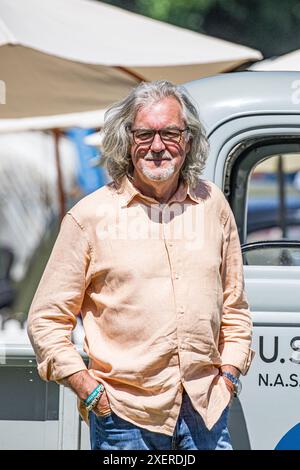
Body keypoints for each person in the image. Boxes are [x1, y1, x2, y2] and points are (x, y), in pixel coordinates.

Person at [27, 80, 254, 450]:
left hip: (207, 409)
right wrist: (89, 391)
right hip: (125, 417)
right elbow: (46, 320)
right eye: (144, 133)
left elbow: (235, 306)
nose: (158, 146)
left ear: (189, 141)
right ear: (126, 140)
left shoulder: (213, 205)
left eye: (171, 133)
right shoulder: (91, 216)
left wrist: (229, 374)